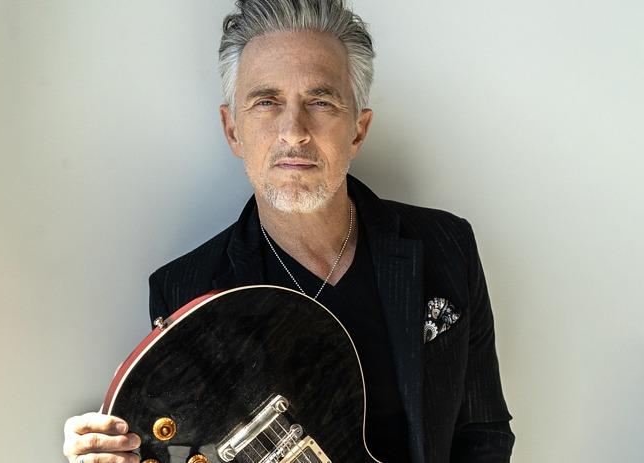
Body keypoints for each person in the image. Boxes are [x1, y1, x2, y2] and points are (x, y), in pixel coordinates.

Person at [63, 1, 514, 462]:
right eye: (266, 102)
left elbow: (484, 429)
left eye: (320, 102)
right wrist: (114, 452)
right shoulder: (185, 291)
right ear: (232, 130)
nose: (293, 132)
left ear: (358, 131)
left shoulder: (446, 245)